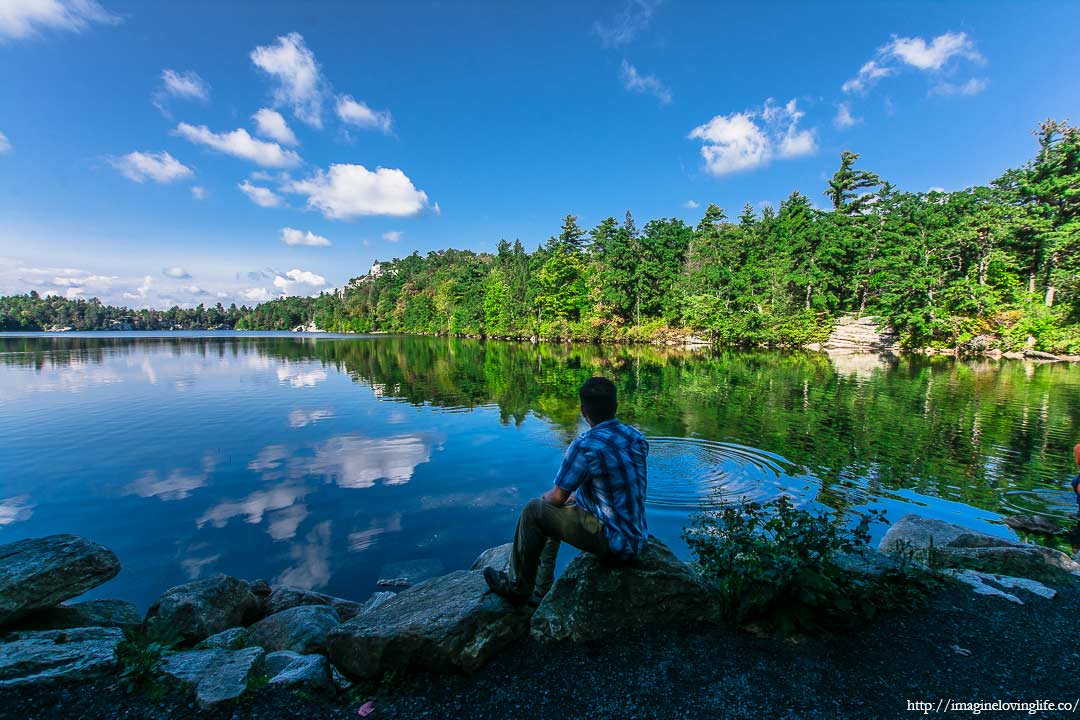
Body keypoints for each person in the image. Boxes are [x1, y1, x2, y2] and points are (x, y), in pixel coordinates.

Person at [483, 376, 649, 605]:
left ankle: (518, 586)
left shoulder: (585, 445)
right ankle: (541, 591)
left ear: (583, 411)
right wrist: (575, 498)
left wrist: (548, 501)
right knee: (563, 505)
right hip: (636, 536)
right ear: (615, 406)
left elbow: (556, 497)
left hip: (613, 543)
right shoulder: (636, 437)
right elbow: (614, 485)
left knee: (536, 510)